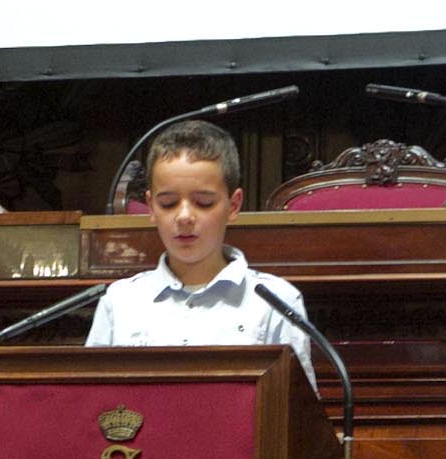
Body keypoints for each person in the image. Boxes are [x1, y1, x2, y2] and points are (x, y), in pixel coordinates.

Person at [87, 119, 316, 387]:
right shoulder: (120, 302)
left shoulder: (277, 301)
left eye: (203, 203)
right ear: (150, 207)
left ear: (233, 205)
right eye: (168, 203)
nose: (184, 217)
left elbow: (298, 416)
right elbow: (93, 405)